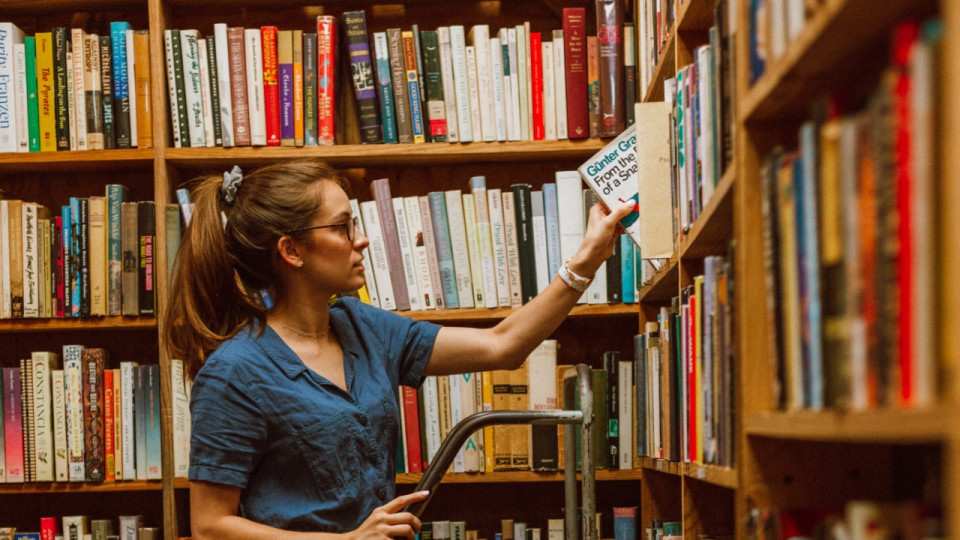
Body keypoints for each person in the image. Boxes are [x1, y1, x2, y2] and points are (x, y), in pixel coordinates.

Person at [164, 159, 633, 540]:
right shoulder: (234, 372)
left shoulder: (363, 326)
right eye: (344, 227)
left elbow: (501, 345)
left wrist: (587, 259)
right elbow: (209, 527)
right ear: (292, 251)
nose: (361, 239)